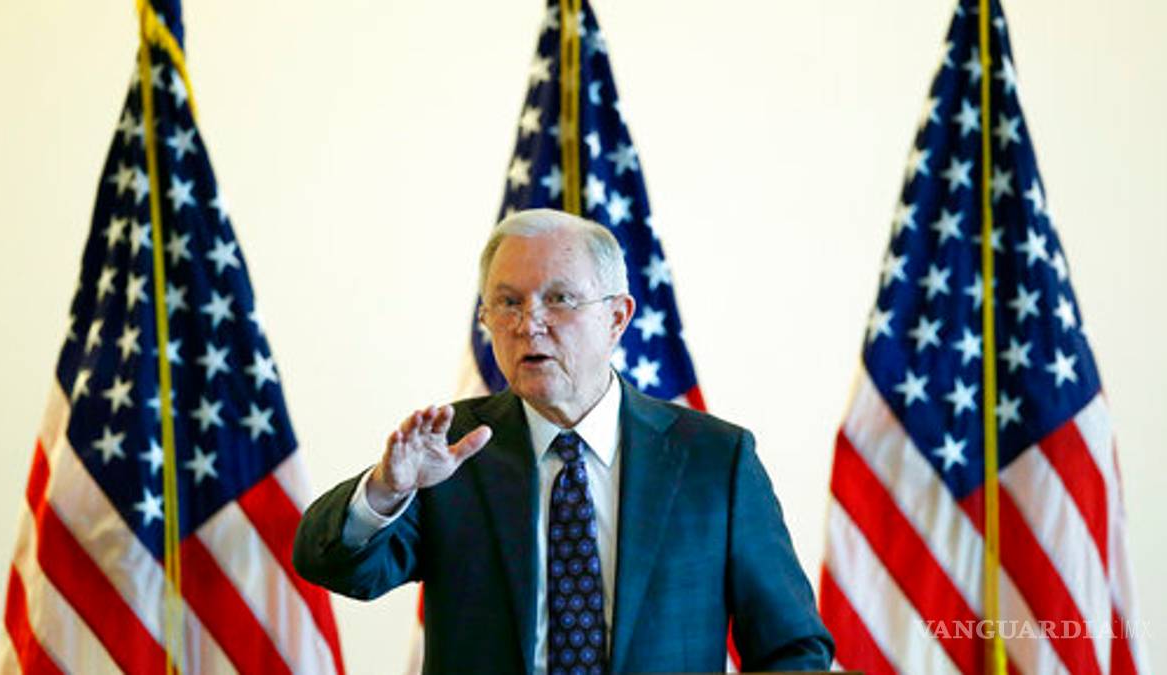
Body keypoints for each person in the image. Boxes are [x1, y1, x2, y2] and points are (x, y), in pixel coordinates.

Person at [293, 209, 833, 674]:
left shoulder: (714, 460)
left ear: (617, 317)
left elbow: (792, 647)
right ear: (485, 319)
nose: (529, 325)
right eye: (507, 303)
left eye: (559, 299)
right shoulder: (451, 451)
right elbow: (336, 568)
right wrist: (387, 490)